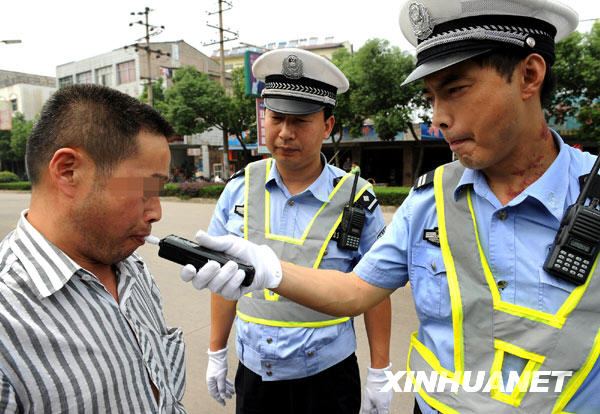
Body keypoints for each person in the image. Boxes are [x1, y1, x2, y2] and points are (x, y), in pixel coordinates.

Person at [181, 1, 600, 413]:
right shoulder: (429, 201)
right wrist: (268, 271)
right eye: (431, 97)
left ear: (529, 75)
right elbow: (357, 289)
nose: (438, 118)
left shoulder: (591, 195)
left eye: (455, 90)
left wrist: (379, 369)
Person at [186, 48, 393, 413]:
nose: (285, 132)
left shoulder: (357, 199)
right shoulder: (238, 188)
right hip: (255, 375)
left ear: (328, 126)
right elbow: (223, 278)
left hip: (328, 378)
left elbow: (376, 289)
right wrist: (216, 351)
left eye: (300, 121)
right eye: (276, 118)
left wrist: (380, 371)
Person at [0, 84, 186, 413]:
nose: (156, 211)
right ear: (68, 171)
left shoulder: (133, 269)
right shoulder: (9, 323)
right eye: (146, 187)